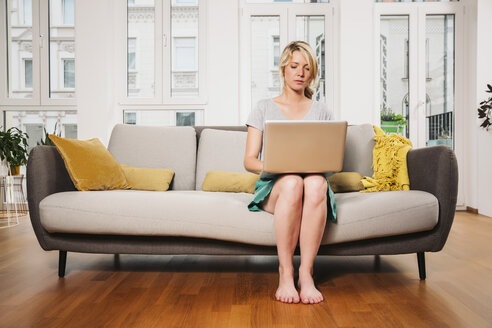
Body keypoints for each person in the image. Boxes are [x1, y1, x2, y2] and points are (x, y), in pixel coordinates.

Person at [243, 41, 336, 305]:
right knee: (293, 181)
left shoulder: (321, 110)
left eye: (307, 68)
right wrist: (281, 166)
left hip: (312, 186)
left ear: (312, 74)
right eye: (294, 66)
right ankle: (286, 272)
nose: (300, 73)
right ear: (283, 68)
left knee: (316, 182)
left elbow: (329, 160)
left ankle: (306, 274)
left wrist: (317, 166)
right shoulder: (263, 107)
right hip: (277, 186)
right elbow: (249, 161)